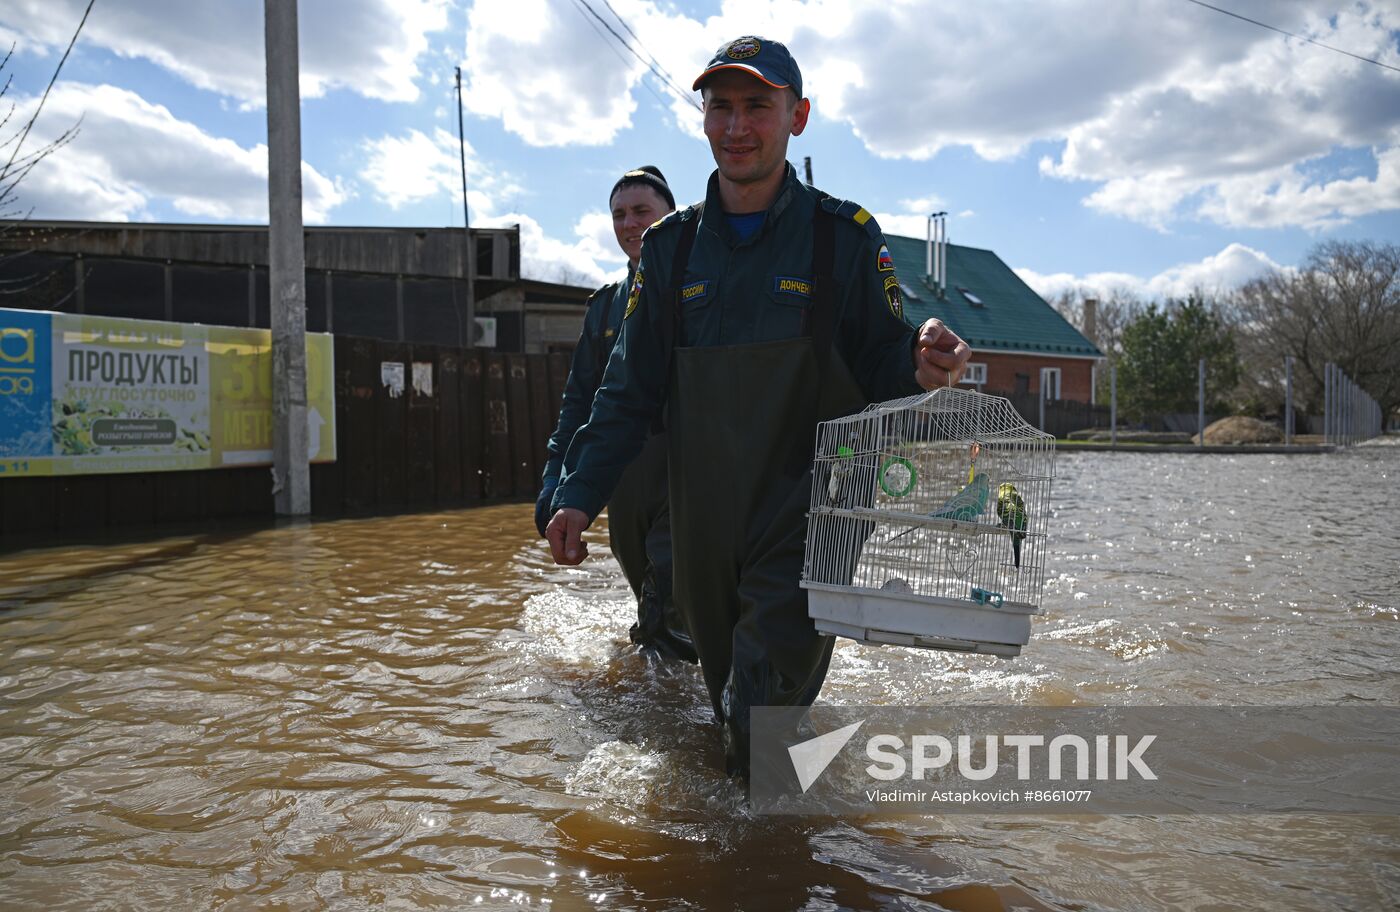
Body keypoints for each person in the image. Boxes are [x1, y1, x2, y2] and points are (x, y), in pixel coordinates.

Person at [545, 37, 971, 776]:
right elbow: (626, 389)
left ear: (796, 117)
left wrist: (922, 362)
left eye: (757, 107)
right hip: (708, 512)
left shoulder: (843, 238)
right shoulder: (671, 251)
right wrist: (578, 494)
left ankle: (777, 864)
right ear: (703, 119)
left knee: (758, 703)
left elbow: (881, 360)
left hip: (819, 503)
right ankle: (768, 836)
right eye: (721, 107)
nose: (737, 126)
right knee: (726, 705)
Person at [536, 166, 696, 662]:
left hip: (690, 465)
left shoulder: (701, 290)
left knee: (669, 591)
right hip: (624, 471)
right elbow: (578, 404)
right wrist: (556, 491)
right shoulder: (604, 306)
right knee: (645, 585)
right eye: (619, 215)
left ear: (670, 215)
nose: (630, 224)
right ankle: (663, 695)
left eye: (642, 212)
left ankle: (674, 717)